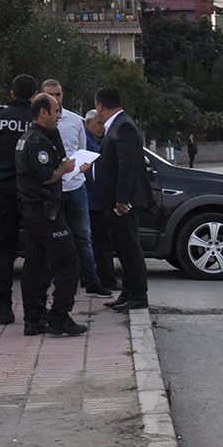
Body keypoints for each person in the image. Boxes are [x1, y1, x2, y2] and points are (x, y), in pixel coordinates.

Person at [14, 93, 85, 337]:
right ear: (43, 112)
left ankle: (34, 318)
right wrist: (64, 169)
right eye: (55, 111)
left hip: (34, 210)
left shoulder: (32, 137)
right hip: (45, 212)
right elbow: (45, 176)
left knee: (36, 265)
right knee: (69, 262)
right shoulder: (38, 141)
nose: (58, 116)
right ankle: (59, 316)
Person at [0, 75, 38, 324]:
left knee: (5, 248)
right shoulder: (37, 120)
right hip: (32, 192)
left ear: (12, 93)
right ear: (34, 94)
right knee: (35, 248)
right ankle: (35, 306)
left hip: (2, 191)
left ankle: (4, 308)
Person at [41, 79, 109, 297]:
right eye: (51, 94)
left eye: (59, 94)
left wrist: (83, 165)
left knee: (83, 235)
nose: (56, 99)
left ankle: (91, 280)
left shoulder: (74, 120)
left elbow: (81, 148)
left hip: (75, 186)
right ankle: (55, 280)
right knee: (52, 236)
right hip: (52, 187)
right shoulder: (38, 122)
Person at [93, 86, 150, 311]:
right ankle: (128, 292)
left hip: (122, 203)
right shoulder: (117, 124)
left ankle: (138, 294)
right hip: (113, 200)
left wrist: (121, 199)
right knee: (123, 248)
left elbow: (127, 166)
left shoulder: (123, 125)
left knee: (130, 248)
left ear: (100, 105)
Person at [83, 107, 117, 295]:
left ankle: (105, 277)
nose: (102, 127)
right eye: (98, 123)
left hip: (95, 200)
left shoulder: (96, 141)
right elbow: (90, 172)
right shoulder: (87, 142)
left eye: (103, 123)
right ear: (88, 123)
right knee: (100, 240)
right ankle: (106, 278)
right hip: (92, 200)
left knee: (101, 240)